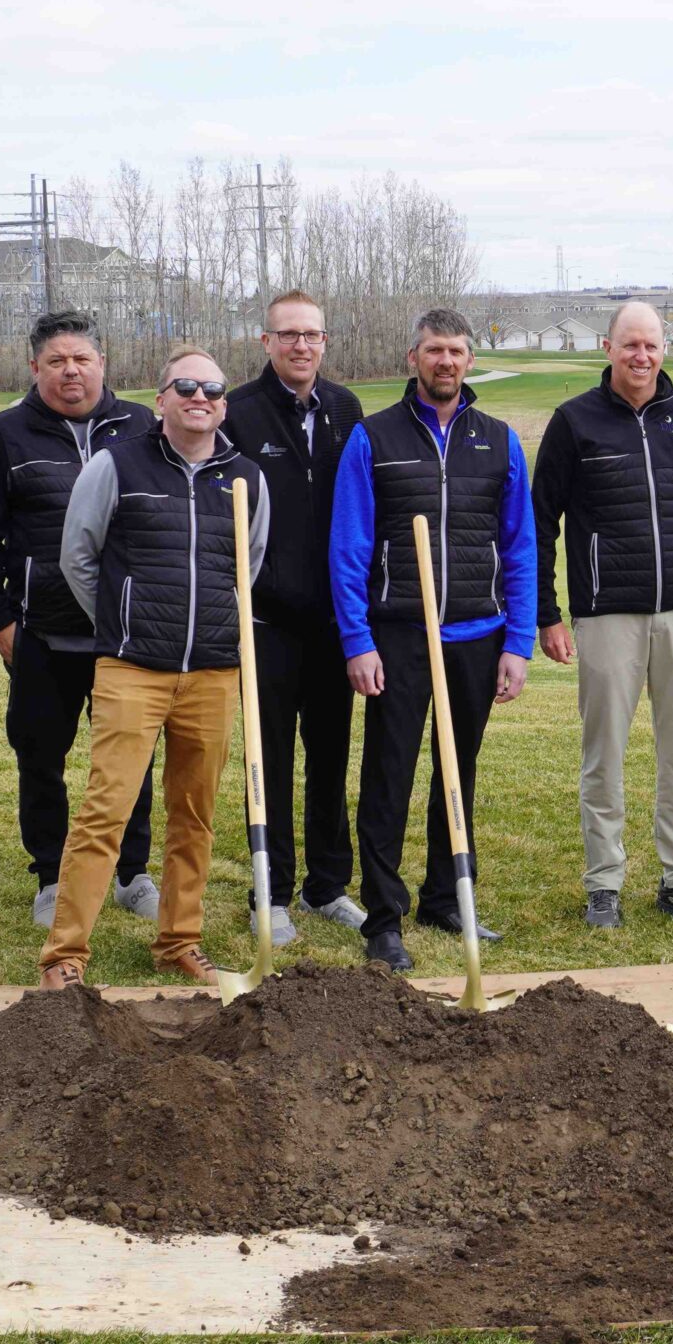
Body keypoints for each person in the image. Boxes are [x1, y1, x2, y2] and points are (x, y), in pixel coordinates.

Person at [38, 349, 269, 989]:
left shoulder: (244, 476)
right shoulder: (118, 464)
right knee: (105, 810)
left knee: (193, 814)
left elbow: (245, 570)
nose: (202, 397)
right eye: (187, 386)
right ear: (161, 397)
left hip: (215, 672)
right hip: (133, 668)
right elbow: (78, 558)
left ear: (224, 402)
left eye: (214, 389)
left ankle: (178, 940)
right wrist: (123, 620)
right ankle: (65, 956)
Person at [329, 309, 536, 973]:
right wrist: (358, 640)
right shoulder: (373, 438)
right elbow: (350, 546)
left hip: (477, 630)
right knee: (389, 772)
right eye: (434, 350)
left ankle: (447, 896)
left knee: (459, 768)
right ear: (413, 356)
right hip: (398, 631)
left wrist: (519, 640)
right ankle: (383, 917)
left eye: (457, 351)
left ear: (470, 360)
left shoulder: (499, 442)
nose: (446, 361)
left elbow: (520, 546)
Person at [0, 311, 158, 929]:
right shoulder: (5, 436)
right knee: (40, 757)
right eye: (57, 361)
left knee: (131, 757)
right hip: (41, 633)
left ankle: (132, 873)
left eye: (82, 359)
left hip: (125, 633)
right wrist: (2, 627)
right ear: (35, 368)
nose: (71, 370)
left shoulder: (142, 428)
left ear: (103, 363)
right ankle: (51, 875)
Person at [532, 300, 673, 930]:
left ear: (665, 350)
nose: (642, 356)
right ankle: (604, 882)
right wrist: (548, 614)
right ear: (608, 348)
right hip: (606, 613)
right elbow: (541, 521)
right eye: (630, 345)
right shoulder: (574, 421)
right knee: (603, 753)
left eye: (653, 345)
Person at [224, 289, 366, 932]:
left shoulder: (344, 408)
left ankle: (326, 885)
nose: (300, 345)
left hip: (334, 621)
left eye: (311, 334)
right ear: (267, 342)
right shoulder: (240, 413)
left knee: (331, 754)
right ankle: (271, 892)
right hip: (266, 623)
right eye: (288, 335)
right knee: (270, 758)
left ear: (325, 341)